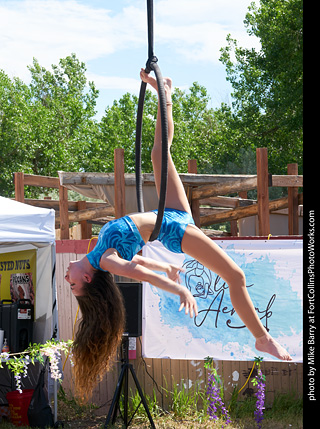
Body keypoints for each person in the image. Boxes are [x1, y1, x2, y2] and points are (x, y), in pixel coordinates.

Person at [65, 68, 292, 399]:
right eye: (72, 283)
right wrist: (176, 288)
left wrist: (166, 268)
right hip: (175, 229)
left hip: (170, 216)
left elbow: (142, 266)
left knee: (160, 154)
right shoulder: (106, 261)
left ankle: (164, 91)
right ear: (86, 279)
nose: (68, 277)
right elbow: (136, 270)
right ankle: (261, 337)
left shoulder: (99, 250)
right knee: (235, 276)